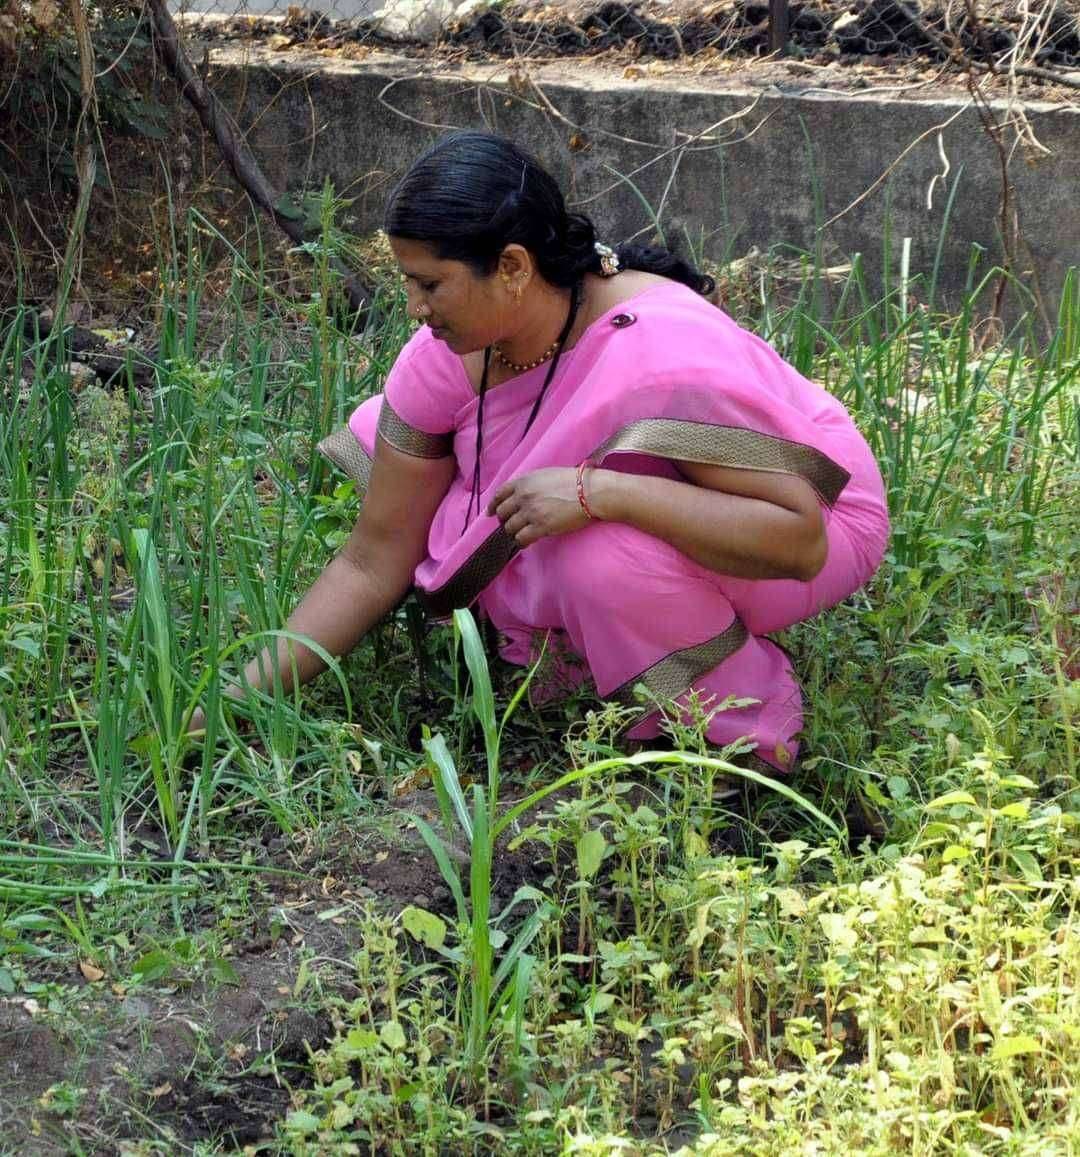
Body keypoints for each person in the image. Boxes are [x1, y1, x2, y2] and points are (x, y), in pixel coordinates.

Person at [232, 130, 889, 772]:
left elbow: (800, 539)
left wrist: (602, 492)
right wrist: (235, 702)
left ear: (514, 267)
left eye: (430, 285)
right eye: (409, 281)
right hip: (662, 494)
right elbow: (373, 560)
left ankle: (737, 734)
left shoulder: (662, 357)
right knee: (406, 458)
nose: (413, 307)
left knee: (592, 561)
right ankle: (585, 652)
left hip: (809, 513)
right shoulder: (446, 356)